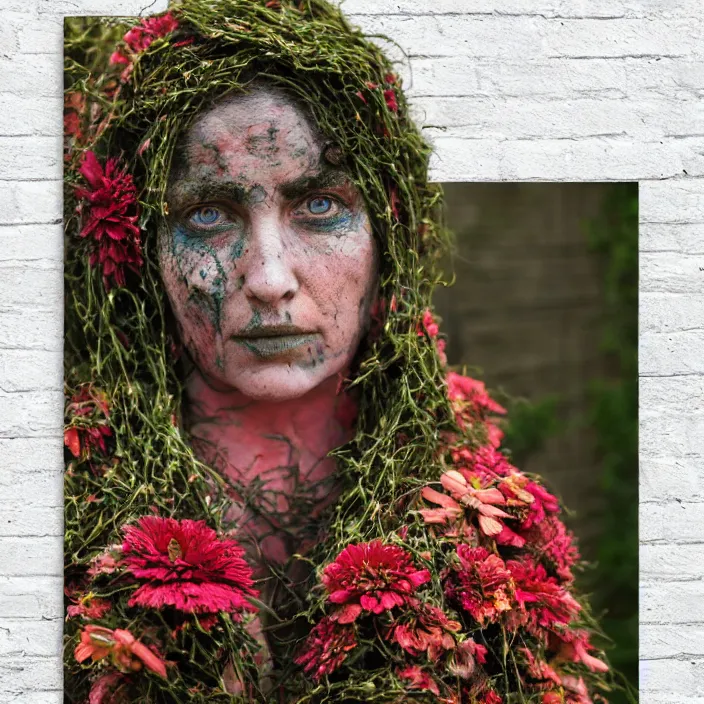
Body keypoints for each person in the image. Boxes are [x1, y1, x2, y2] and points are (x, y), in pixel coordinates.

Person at [63, 2, 619, 703]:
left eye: (320, 206)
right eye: (207, 214)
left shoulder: (485, 509)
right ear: (137, 248)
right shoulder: (58, 504)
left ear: (387, 232)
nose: (268, 279)